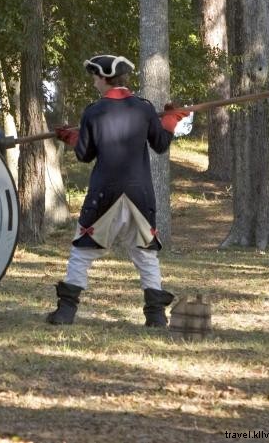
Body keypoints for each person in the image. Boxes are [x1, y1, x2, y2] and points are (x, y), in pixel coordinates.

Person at [48, 54, 189, 327]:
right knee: (145, 255)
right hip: (140, 193)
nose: (93, 82)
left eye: (94, 77)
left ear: (103, 78)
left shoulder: (93, 112)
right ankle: (156, 317)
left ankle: (65, 312)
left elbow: (85, 155)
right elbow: (160, 144)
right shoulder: (144, 109)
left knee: (83, 251)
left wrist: (72, 138)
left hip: (104, 191)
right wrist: (171, 119)